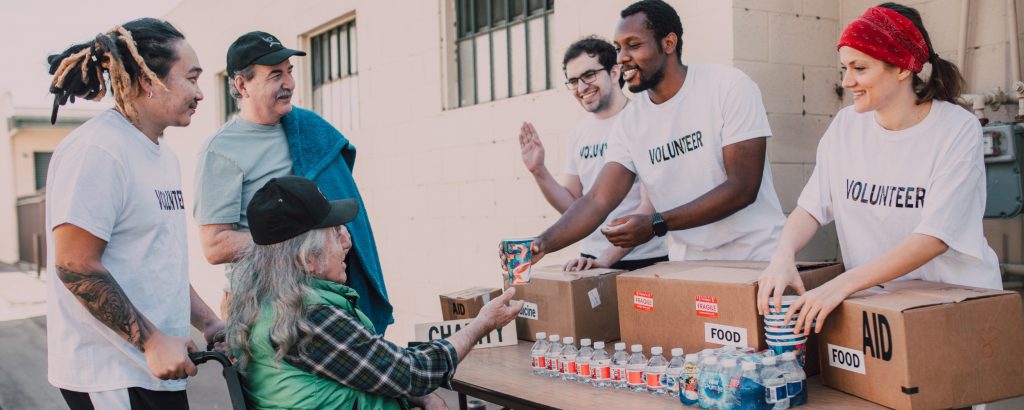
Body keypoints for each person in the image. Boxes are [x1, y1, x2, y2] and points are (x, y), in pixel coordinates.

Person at [756, 3, 1002, 335]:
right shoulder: (845, 126)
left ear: (901, 67)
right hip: (883, 306)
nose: (847, 81)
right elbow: (811, 208)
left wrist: (842, 284)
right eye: (844, 68)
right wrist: (782, 256)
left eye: (859, 68)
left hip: (955, 304)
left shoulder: (956, 128)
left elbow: (935, 237)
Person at [44, 18, 224, 409]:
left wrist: (209, 322)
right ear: (147, 81)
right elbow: (74, 264)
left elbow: (157, 264)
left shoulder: (163, 156)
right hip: (112, 375)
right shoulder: (99, 150)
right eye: (191, 79)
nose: (200, 93)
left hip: (155, 371)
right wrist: (153, 342)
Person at [226, 176, 523, 409]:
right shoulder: (309, 317)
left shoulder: (267, 303)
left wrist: (420, 396)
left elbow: (373, 370)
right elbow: (413, 372)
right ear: (308, 259)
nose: (347, 243)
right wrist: (481, 324)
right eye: (334, 234)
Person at [531, 0, 785, 263]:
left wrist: (657, 223)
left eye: (633, 45)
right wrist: (541, 244)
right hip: (688, 263)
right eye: (618, 48)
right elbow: (597, 200)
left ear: (668, 43)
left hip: (755, 256)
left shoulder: (728, 86)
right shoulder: (630, 122)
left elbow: (742, 187)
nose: (621, 58)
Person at [194, 31, 393, 334]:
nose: (289, 83)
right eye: (276, 75)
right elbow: (214, 246)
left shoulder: (308, 129)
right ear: (242, 85)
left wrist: (331, 234)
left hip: (322, 297)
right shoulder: (220, 150)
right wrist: (297, 239)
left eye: (289, 71)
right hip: (260, 304)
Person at [518, 36, 667, 271]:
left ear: (615, 72)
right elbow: (574, 207)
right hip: (589, 261)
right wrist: (539, 171)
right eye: (573, 81)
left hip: (642, 261)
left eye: (589, 75)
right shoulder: (579, 132)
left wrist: (604, 260)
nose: (581, 88)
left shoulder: (644, 121)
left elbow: (650, 207)